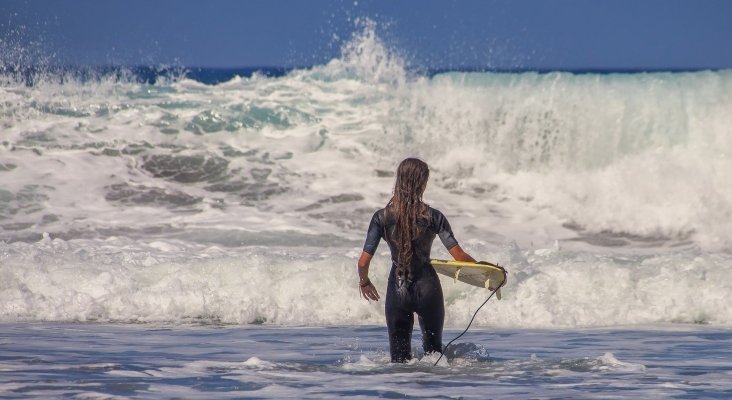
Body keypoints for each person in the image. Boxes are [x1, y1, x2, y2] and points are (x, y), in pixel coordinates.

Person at [357, 157, 477, 363]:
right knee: (434, 357)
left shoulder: (381, 217)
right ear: (422, 183)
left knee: (399, 361)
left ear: (399, 180)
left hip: (398, 289)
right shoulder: (433, 216)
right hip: (429, 289)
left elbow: (362, 262)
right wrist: (484, 270)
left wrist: (364, 281)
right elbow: (459, 256)